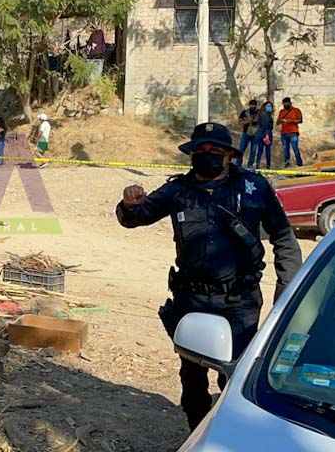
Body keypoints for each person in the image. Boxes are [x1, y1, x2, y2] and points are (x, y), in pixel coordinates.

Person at [116, 122, 302, 431]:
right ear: (191, 154)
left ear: (230, 155)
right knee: (192, 377)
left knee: (237, 375)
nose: (207, 154)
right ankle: (197, 435)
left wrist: (286, 292)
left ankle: (233, 435)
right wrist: (127, 204)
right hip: (192, 299)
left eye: (215, 150)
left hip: (240, 301)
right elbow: (135, 218)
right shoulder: (178, 191)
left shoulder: (253, 187)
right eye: (200, 150)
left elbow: (284, 238)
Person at [276, 97, 304, 167]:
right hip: (284, 133)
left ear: (290, 103)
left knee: (295, 149)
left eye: (286, 103)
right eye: (284, 104)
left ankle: (299, 163)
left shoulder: (296, 110)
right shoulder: (281, 111)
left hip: (293, 132)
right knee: (285, 150)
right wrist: (281, 120)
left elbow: (300, 120)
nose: (285, 105)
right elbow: (277, 122)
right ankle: (287, 163)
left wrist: (289, 121)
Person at [250, 101, 275, 169]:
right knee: (267, 151)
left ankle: (258, 166)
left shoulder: (265, 114)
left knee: (260, 150)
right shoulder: (265, 114)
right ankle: (267, 166)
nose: (269, 107)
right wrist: (266, 136)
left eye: (270, 106)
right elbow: (265, 125)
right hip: (265, 134)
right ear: (264, 107)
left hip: (261, 134)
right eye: (268, 106)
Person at [237, 100, 259, 167]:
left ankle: (250, 165)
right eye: (251, 105)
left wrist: (249, 120)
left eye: (254, 105)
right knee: (241, 149)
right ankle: (238, 164)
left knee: (253, 151)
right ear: (249, 105)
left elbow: (258, 120)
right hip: (245, 133)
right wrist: (246, 121)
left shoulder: (258, 112)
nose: (252, 106)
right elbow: (240, 121)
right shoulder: (245, 112)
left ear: (256, 105)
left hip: (255, 133)